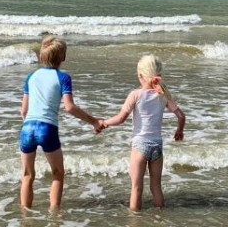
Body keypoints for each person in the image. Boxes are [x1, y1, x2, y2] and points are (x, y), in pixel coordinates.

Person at [19, 35, 101, 210]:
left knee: (27, 175)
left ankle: (25, 215)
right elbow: (69, 107)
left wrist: (30, 124)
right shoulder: (63, 78)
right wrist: (93, 121)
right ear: (63, 57)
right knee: (58, 173)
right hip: (47, 128)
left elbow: (23, 111)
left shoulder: (31, 77)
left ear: (42, 56)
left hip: (27, 129)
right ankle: (54, 214)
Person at [99, 54, 186, 211]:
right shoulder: (163, 95)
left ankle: (135, 223)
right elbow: (181, 116)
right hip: (157, 147)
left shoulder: (135, 95)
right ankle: (161, 216)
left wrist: (104, 123)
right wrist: (179, 131)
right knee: (156, 187)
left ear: (140, 75)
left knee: (136, 188)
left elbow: (120, 119)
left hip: (140, 145)